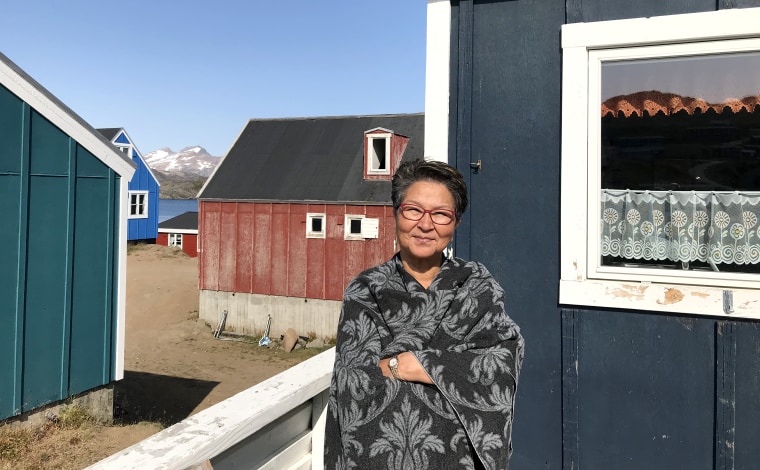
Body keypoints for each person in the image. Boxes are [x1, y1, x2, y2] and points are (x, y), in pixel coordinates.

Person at [324, 159, 525, 470]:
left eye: (441, 214)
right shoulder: (366, 292)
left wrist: (412, 363)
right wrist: (452, 370)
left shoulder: (478, 287)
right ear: (396, 213)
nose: (426, 224)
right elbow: (355, 387)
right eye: (413, 210)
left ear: (456, 223)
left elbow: (500, 366)